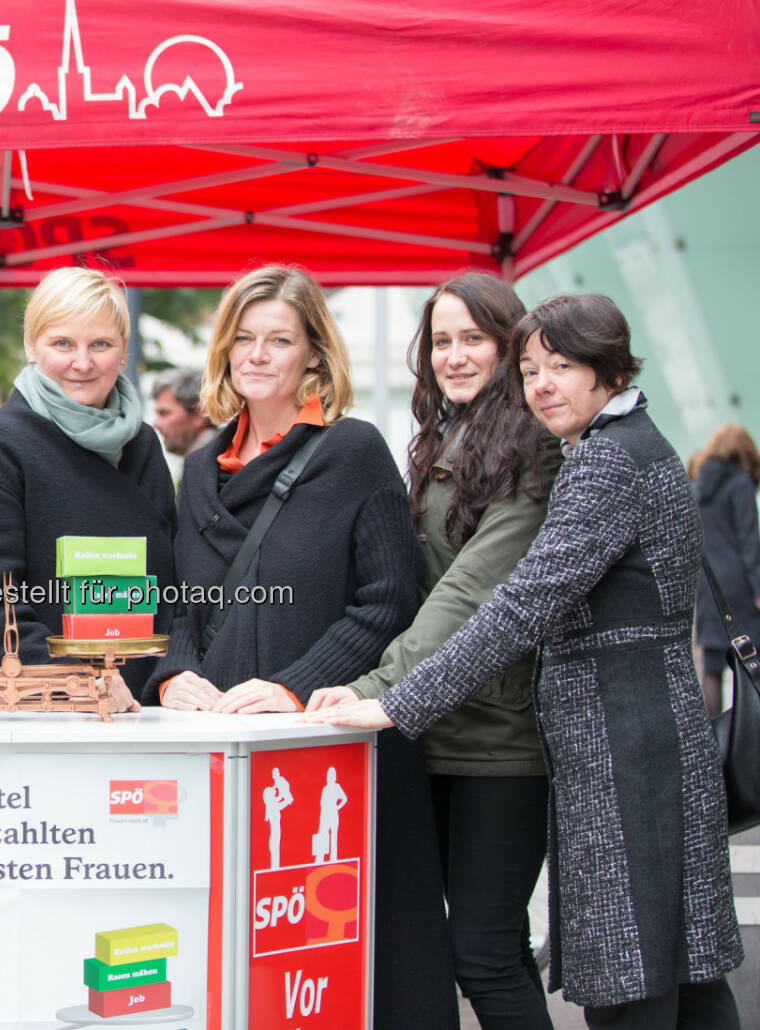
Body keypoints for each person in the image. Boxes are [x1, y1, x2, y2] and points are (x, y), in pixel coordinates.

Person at [308, 294, 744, 1028]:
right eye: (532, 368)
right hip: (646, 730)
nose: (541, 383)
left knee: (631, 982)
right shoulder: (628, 443)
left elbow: (519, 605)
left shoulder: (605, 460)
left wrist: (396, 701)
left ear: (607, 368)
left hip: (623, 745)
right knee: (687, 974)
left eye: (562, 367)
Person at [145, 263, 458, 1029]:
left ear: (313, 355)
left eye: (278, 339)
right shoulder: (197, 471)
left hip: (333, 753)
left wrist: (292, 684)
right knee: (245, 967)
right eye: (243, 338)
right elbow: (183, 601)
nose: (257, 354)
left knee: (355, 963)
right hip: (227, 755)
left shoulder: (352, 452)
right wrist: (173, 673)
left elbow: (389, 601)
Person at [308, 273, 558, 1028]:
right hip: (434, 731)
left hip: (500, 739)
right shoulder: (445, 436)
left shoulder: (534, 451)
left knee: (479, 951)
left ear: (511, 345)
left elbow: (470, 591)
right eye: (441, 341)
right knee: (493, 947)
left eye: (473, 338)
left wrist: (377, 687)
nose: (453, 356)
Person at [0, 266, 176, 705]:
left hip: (146, 708)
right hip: (46, 708)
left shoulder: (143, 444)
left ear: (123, 350)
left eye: (100, 344)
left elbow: (172, 584)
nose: (82, 362)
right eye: (62, 344)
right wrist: (76, 688)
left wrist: (168, 677)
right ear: (30, 345)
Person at [691, 423, 760, 716]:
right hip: (740, 584)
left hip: (708, 585)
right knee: (753, 659)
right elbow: (749, 540)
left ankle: (716, 742)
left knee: (713, 667)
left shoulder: (697, 485)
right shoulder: (739, 483)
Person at [150, 367, 215, 457]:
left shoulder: (219, 463)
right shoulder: (202, 461)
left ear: (199, 413)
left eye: (164, 413)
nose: (156, 424)